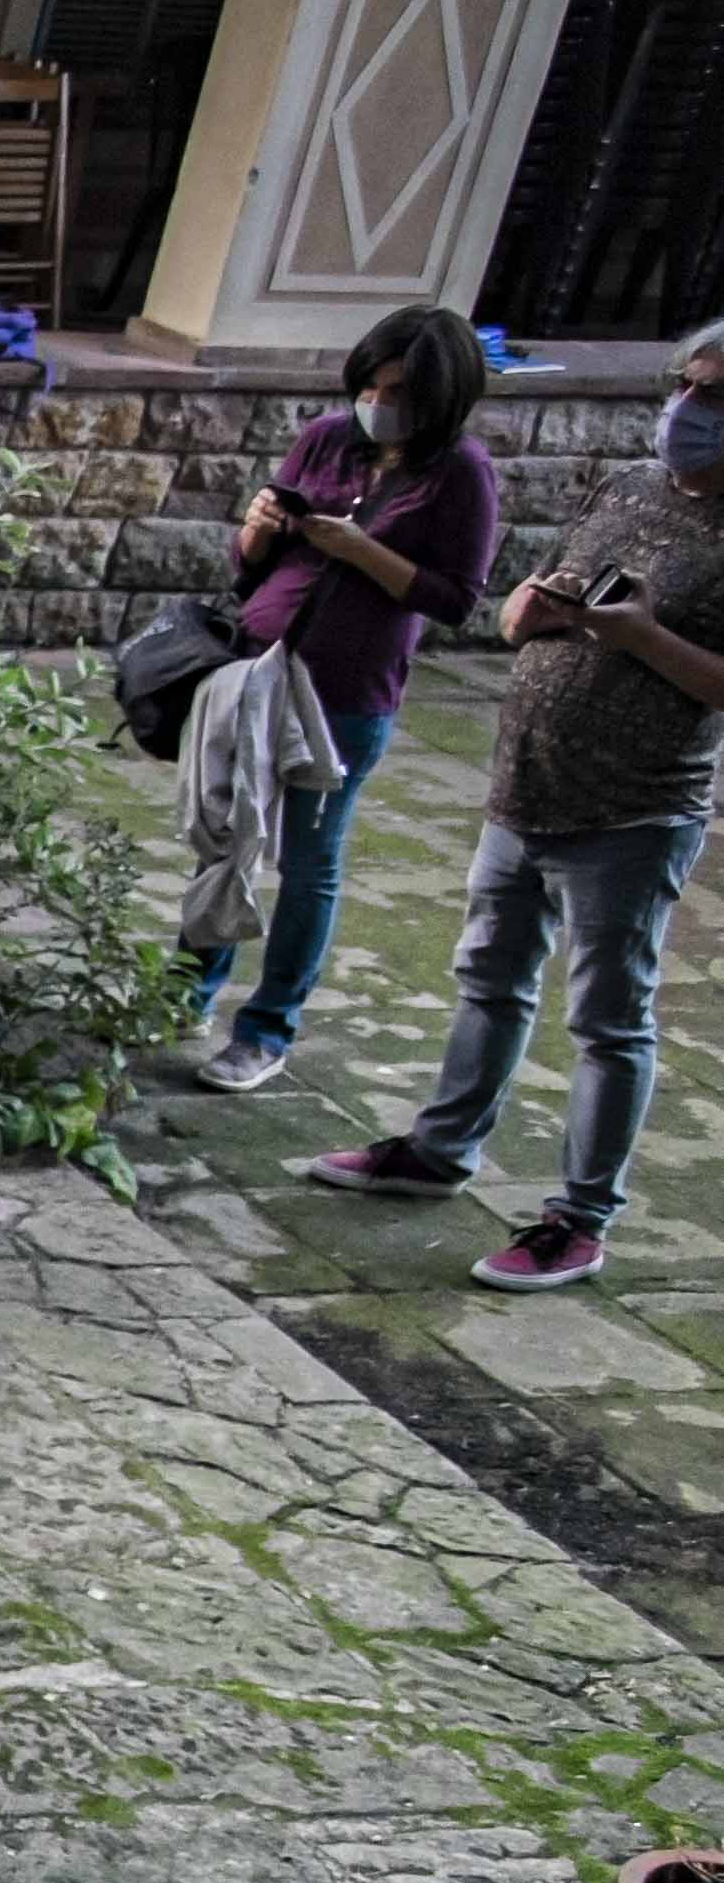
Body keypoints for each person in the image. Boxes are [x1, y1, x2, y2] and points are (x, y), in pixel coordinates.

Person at [295, 316, 724, 1295]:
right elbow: (505, 613)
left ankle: (577, 1219)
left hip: (632, 812)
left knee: (609, 1021)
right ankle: (439, 1150)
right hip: (523, 785)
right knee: (487, 979)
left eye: (714, 396)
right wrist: (530, 609)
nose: (688, 408)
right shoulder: (625, 490)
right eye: (685, 385)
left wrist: (639, 636)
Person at [179, 304, 499, 1094]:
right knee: (222, 836)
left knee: (307, 861)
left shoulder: (458, 472)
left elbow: (456, 598)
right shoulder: (327, 438)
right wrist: (258, 529)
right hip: (257, 666)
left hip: (346, 692)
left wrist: (360, 550)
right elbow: (250, 568)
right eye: (368, 385)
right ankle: (184, 993)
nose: (376, 401)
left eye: (395, 390)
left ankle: (265, 1027)